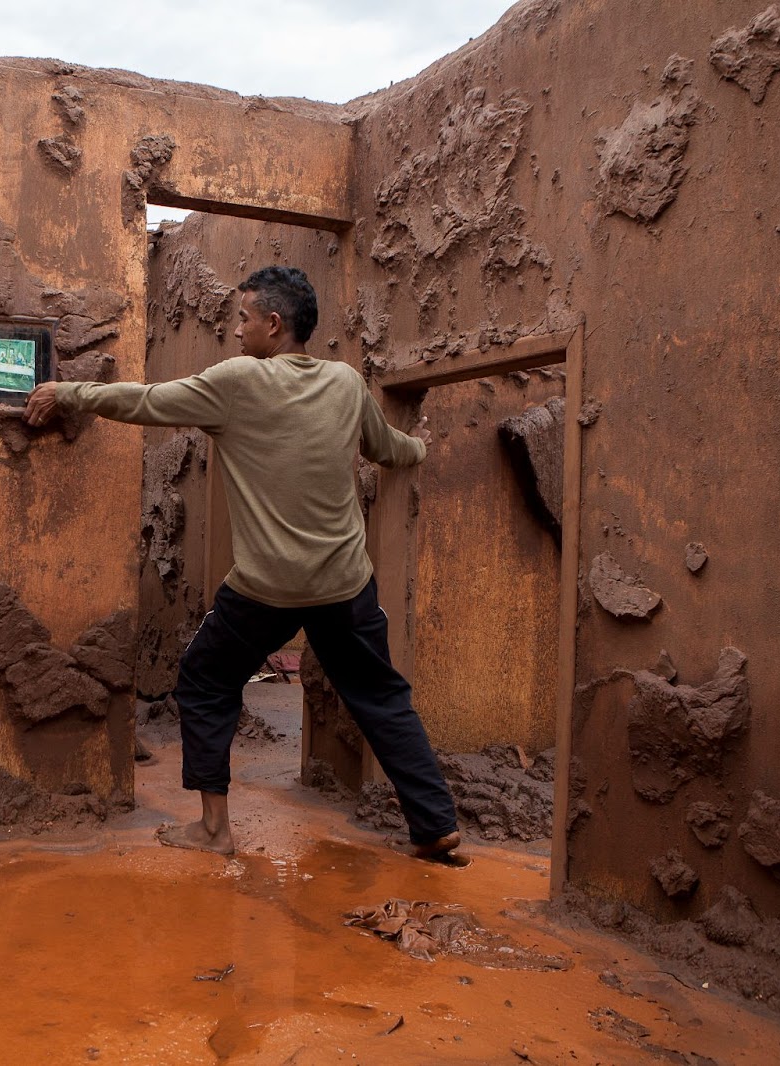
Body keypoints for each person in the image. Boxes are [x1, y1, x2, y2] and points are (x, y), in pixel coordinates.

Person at [23, 266, 460, 861]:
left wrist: (67, 392)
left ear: (273, 325)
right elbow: (389, 449)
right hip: (344, 583)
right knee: (381, 695)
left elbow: (147, 403)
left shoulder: (236, 383)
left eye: (244, 319)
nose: (236, 332)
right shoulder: (345, 383)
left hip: (266, 588)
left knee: (204, 679)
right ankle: (435, 825)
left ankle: (213, 829)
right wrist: (425, 445)